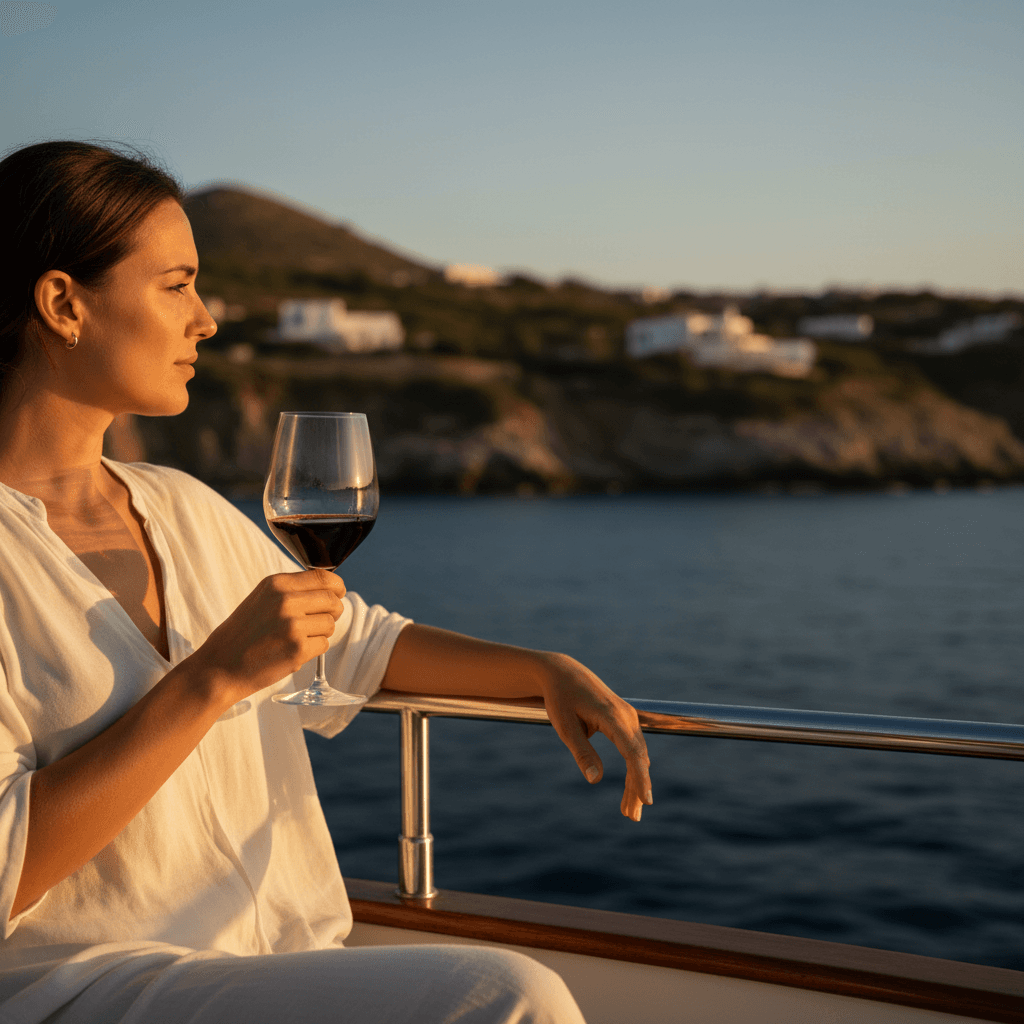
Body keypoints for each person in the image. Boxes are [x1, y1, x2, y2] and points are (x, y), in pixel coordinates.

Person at [0, 141, 653, 1024]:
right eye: (177, 284)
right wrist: (213, 678)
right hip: (83, 991)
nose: (207, 320)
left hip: (278, 964)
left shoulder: (181, 506)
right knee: (507, 997)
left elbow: (355, 641)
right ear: (62, 303)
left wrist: (537, 668)